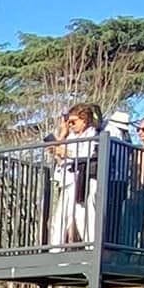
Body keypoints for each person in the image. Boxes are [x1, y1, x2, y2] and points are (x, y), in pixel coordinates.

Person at [47, 106, 99, 247]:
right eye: (69, 122)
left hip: (81, 179)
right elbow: (62, 157)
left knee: (82, 216)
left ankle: (91, 247)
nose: (70, 125)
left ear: (84, 120)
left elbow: (86, 155)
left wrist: (66, 152)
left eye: (73, 122)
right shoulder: (71, 136)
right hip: (68, 179)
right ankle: (55, 250)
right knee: (60, 218)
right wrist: (59, 144)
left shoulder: (92, 134)